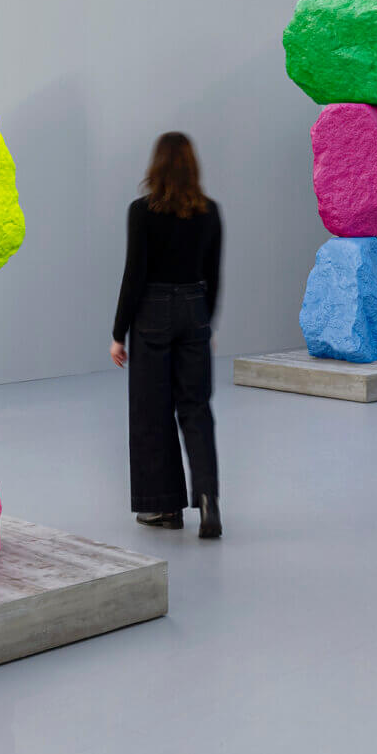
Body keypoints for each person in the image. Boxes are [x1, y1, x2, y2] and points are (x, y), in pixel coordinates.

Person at [110, 132, 223, 538]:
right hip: (194, 309)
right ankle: (208, 500)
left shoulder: (142, 211)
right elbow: (213, 274)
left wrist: (119, 333)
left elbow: (134, 274)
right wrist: (206, 323)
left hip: (152, 313)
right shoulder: (210, 211)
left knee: (151, 411)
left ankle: (166, 508)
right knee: (196, 408)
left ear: (156, 166)